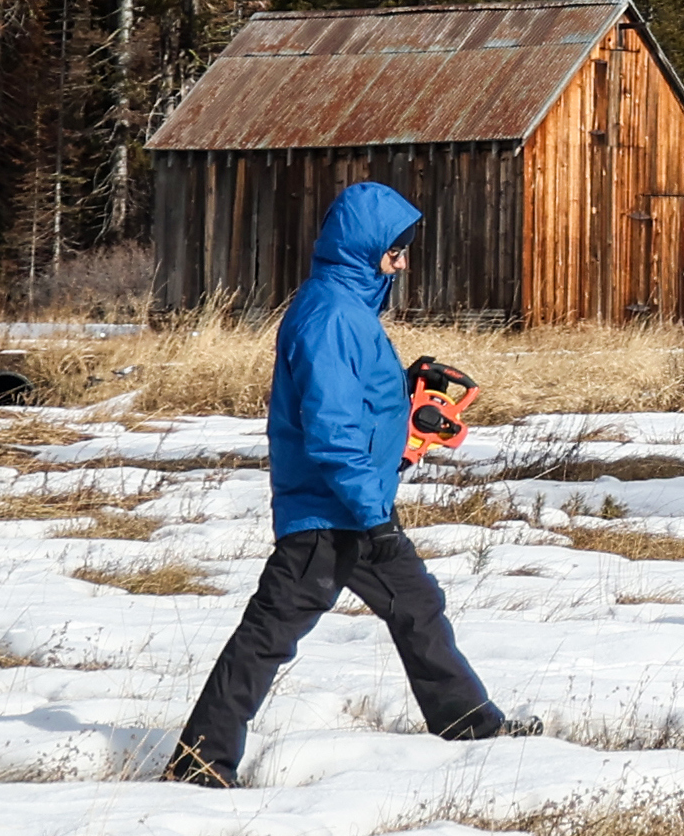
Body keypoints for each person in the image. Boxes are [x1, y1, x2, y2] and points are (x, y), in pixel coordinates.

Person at [160, 179, 542, 785]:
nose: (404, 261)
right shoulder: (333, 316)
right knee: (270, 633)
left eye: (406, 248)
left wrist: (404, 389)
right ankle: (200, 764)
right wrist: (374, 516)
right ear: (364, 248)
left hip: (356, 502)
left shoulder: (348, 308)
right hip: (332, 512)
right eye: (396, 250)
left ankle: (470, 725)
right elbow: (331, 430)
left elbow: (355, 401)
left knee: (417, 608)